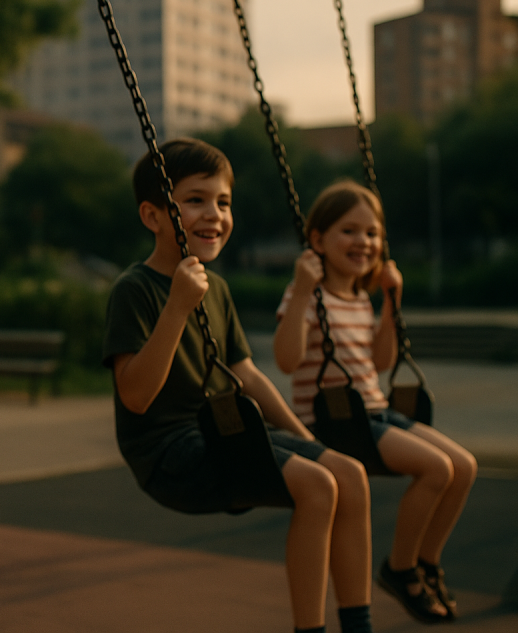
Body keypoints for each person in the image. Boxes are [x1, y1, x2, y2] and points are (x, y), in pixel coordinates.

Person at [103, 138, 375, 633]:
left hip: (222, 433)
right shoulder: (136, 289)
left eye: (223, 202)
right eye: (195, 200)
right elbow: (136, 396)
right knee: (317, 487)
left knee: (348, 474)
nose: (214, 214)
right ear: (153, 216)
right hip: (168, 452)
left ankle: (358, 623)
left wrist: (306, 439)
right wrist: (177, 307)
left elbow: (247, 375)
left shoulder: (217, 288)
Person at [273, 180, 476, 624]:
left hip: (374, 409)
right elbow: (286, 361)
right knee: (436, 468)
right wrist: (304, 289)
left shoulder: (362, 299)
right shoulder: (305, 295)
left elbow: (381, 361)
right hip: (334, 420)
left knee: (463, 467)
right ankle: (400, 569)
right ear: (318, 239)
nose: (363, 242)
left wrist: (392, 301)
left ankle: (425, 561)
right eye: (349, 230)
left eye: (372, 233)